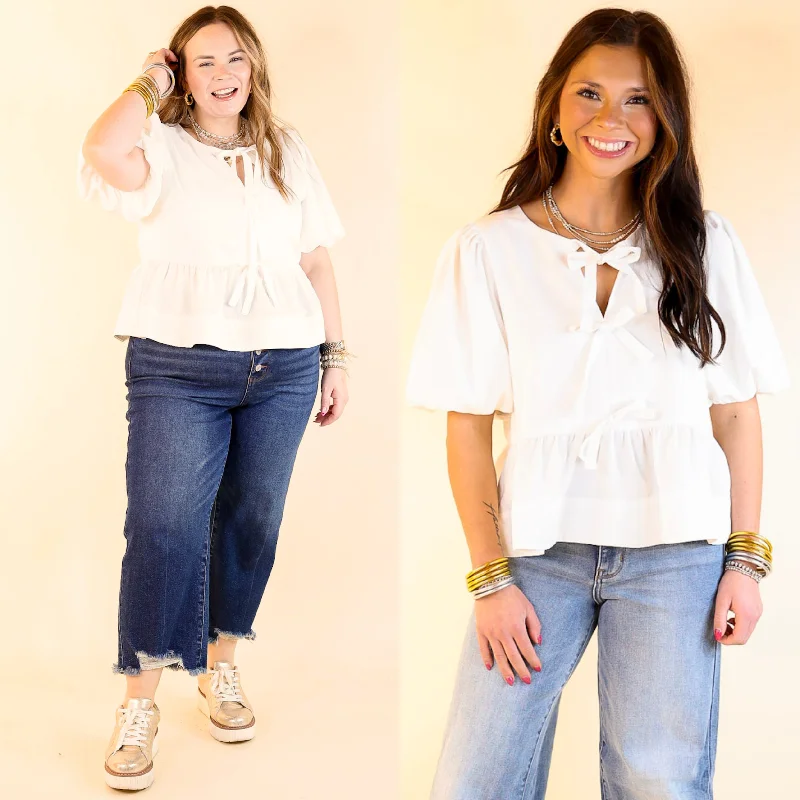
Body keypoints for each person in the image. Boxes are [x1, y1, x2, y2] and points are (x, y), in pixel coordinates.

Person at [407, 8, 788, 799]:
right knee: (473, 780)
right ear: (553, 107)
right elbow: (468, 427)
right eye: (589, 93)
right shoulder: (488, 250)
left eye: (639, 99)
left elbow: (737, 415)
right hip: (537, 550)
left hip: (678, 552)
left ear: (665, 119)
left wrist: (746, 561)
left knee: (660, 781)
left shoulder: (705, 245)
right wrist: (490, 578)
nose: (611, 119)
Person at [79, 5, 350, 791]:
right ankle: (139, 700)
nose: (224, 74)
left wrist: (334, 356)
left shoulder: (286, 151)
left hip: (285, 367)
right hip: (177, 367)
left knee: (251, 517)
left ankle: (220, 666)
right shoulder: (156, 146)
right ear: (182, 73)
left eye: (235, 58)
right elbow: (100, 147)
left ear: (254, 67)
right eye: (203, 62)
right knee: (163, 524)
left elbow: (318, 262)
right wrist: (148, 81)